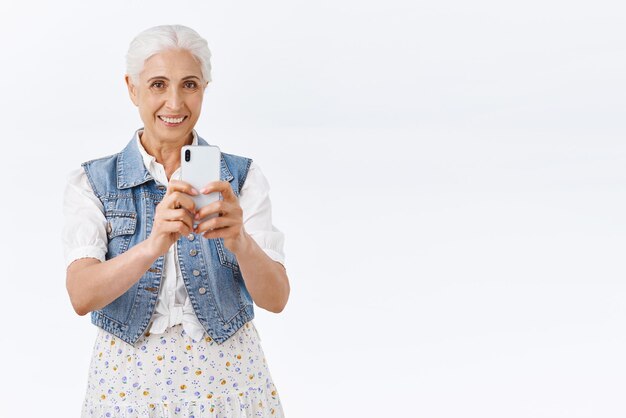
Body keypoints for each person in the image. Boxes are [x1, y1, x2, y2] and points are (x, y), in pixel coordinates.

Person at [62, 24, 290, 417]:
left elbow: (276, 298)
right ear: (132, 88)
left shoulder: (241, 177)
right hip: (127, 388)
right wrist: (154, 244)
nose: (174, 103)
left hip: (228, 384)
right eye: (157, 85)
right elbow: (81, 295)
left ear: (204, 89)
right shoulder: (93, 182)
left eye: (189, 85)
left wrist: (241, 242)